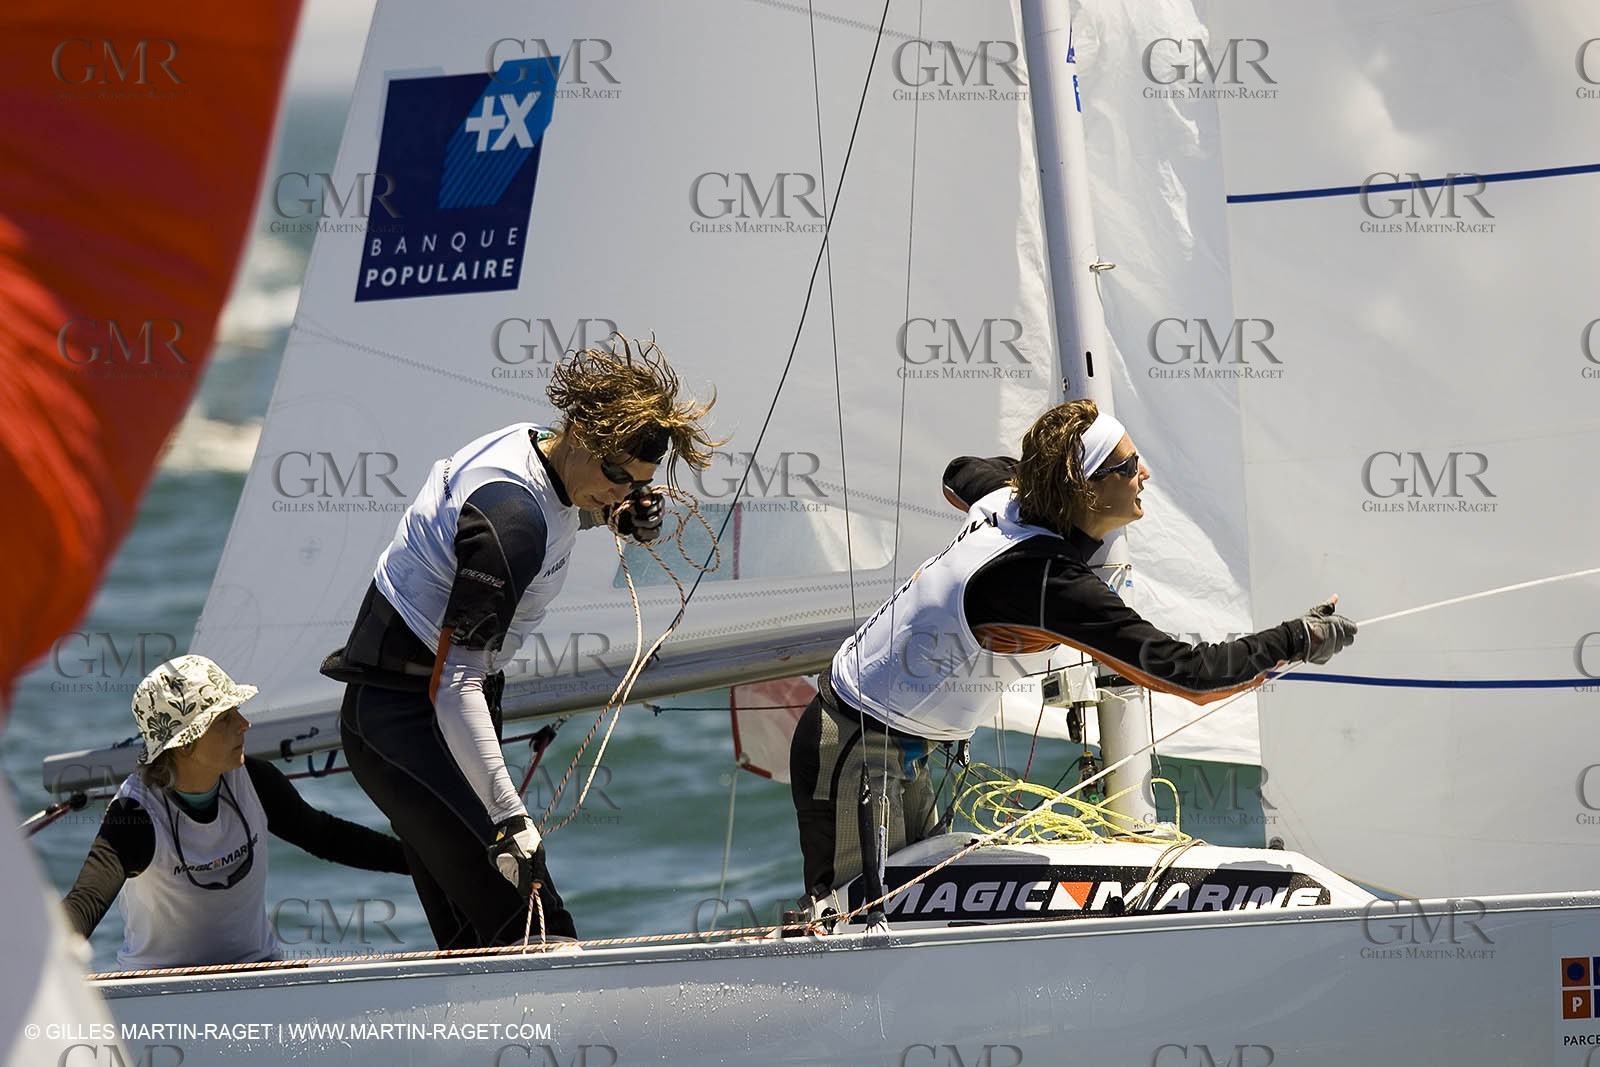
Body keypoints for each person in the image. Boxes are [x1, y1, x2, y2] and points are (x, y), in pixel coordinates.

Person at [790, 399, 1358, 898]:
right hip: (855, 746)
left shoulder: (1008, 501)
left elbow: (958, 472)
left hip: (901, 743)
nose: (1146, 474)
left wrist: (1033, 479)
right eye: (1129, 466)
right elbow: (1188, 674)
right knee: (854, 917)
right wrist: (1297, 639)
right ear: (1087, 490)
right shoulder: (1046, 582)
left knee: (905, 908)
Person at [324, 334, 717, 949]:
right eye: (617, 477)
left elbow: (564, 500)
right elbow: (455, 681)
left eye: (638, 484)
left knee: (472, 944)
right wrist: (511, 819)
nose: (625, 493)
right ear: (583, 430)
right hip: (406, 720)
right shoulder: (511, 522)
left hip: (423, 713)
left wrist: (611, 510)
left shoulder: (541, 451)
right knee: (536, 928)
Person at [61, 655, 408, 970]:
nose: (244, 724)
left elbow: (325, 836)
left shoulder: (254, 780)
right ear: (186, 742)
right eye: (225, 718)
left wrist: (417, 861)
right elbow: (86, 902)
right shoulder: (136, 816)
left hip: (257, 970)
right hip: (160, 987)